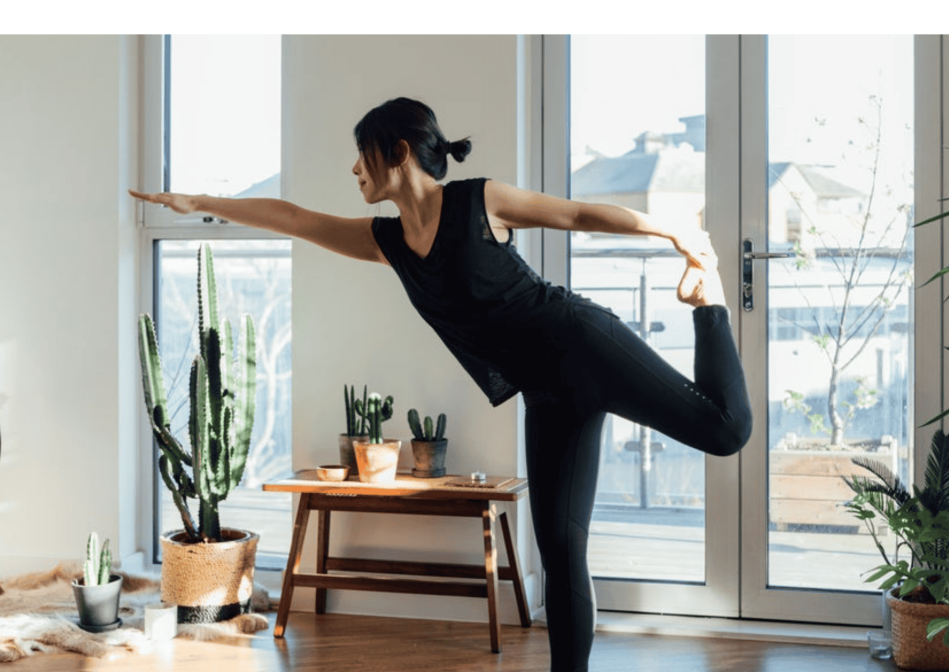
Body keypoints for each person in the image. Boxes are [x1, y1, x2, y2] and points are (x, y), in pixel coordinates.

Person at [130, 96, 752, 672]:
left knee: (725, 430)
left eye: (362, 154)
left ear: (398, 152)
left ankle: (708, 305)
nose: (353, 169)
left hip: (586, 344)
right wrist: (201, 201)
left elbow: (576, 212)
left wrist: (670, 231)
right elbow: (294, 218)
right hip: (548, 394)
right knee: (561, 555)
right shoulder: (388, 242)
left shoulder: (480, 200)